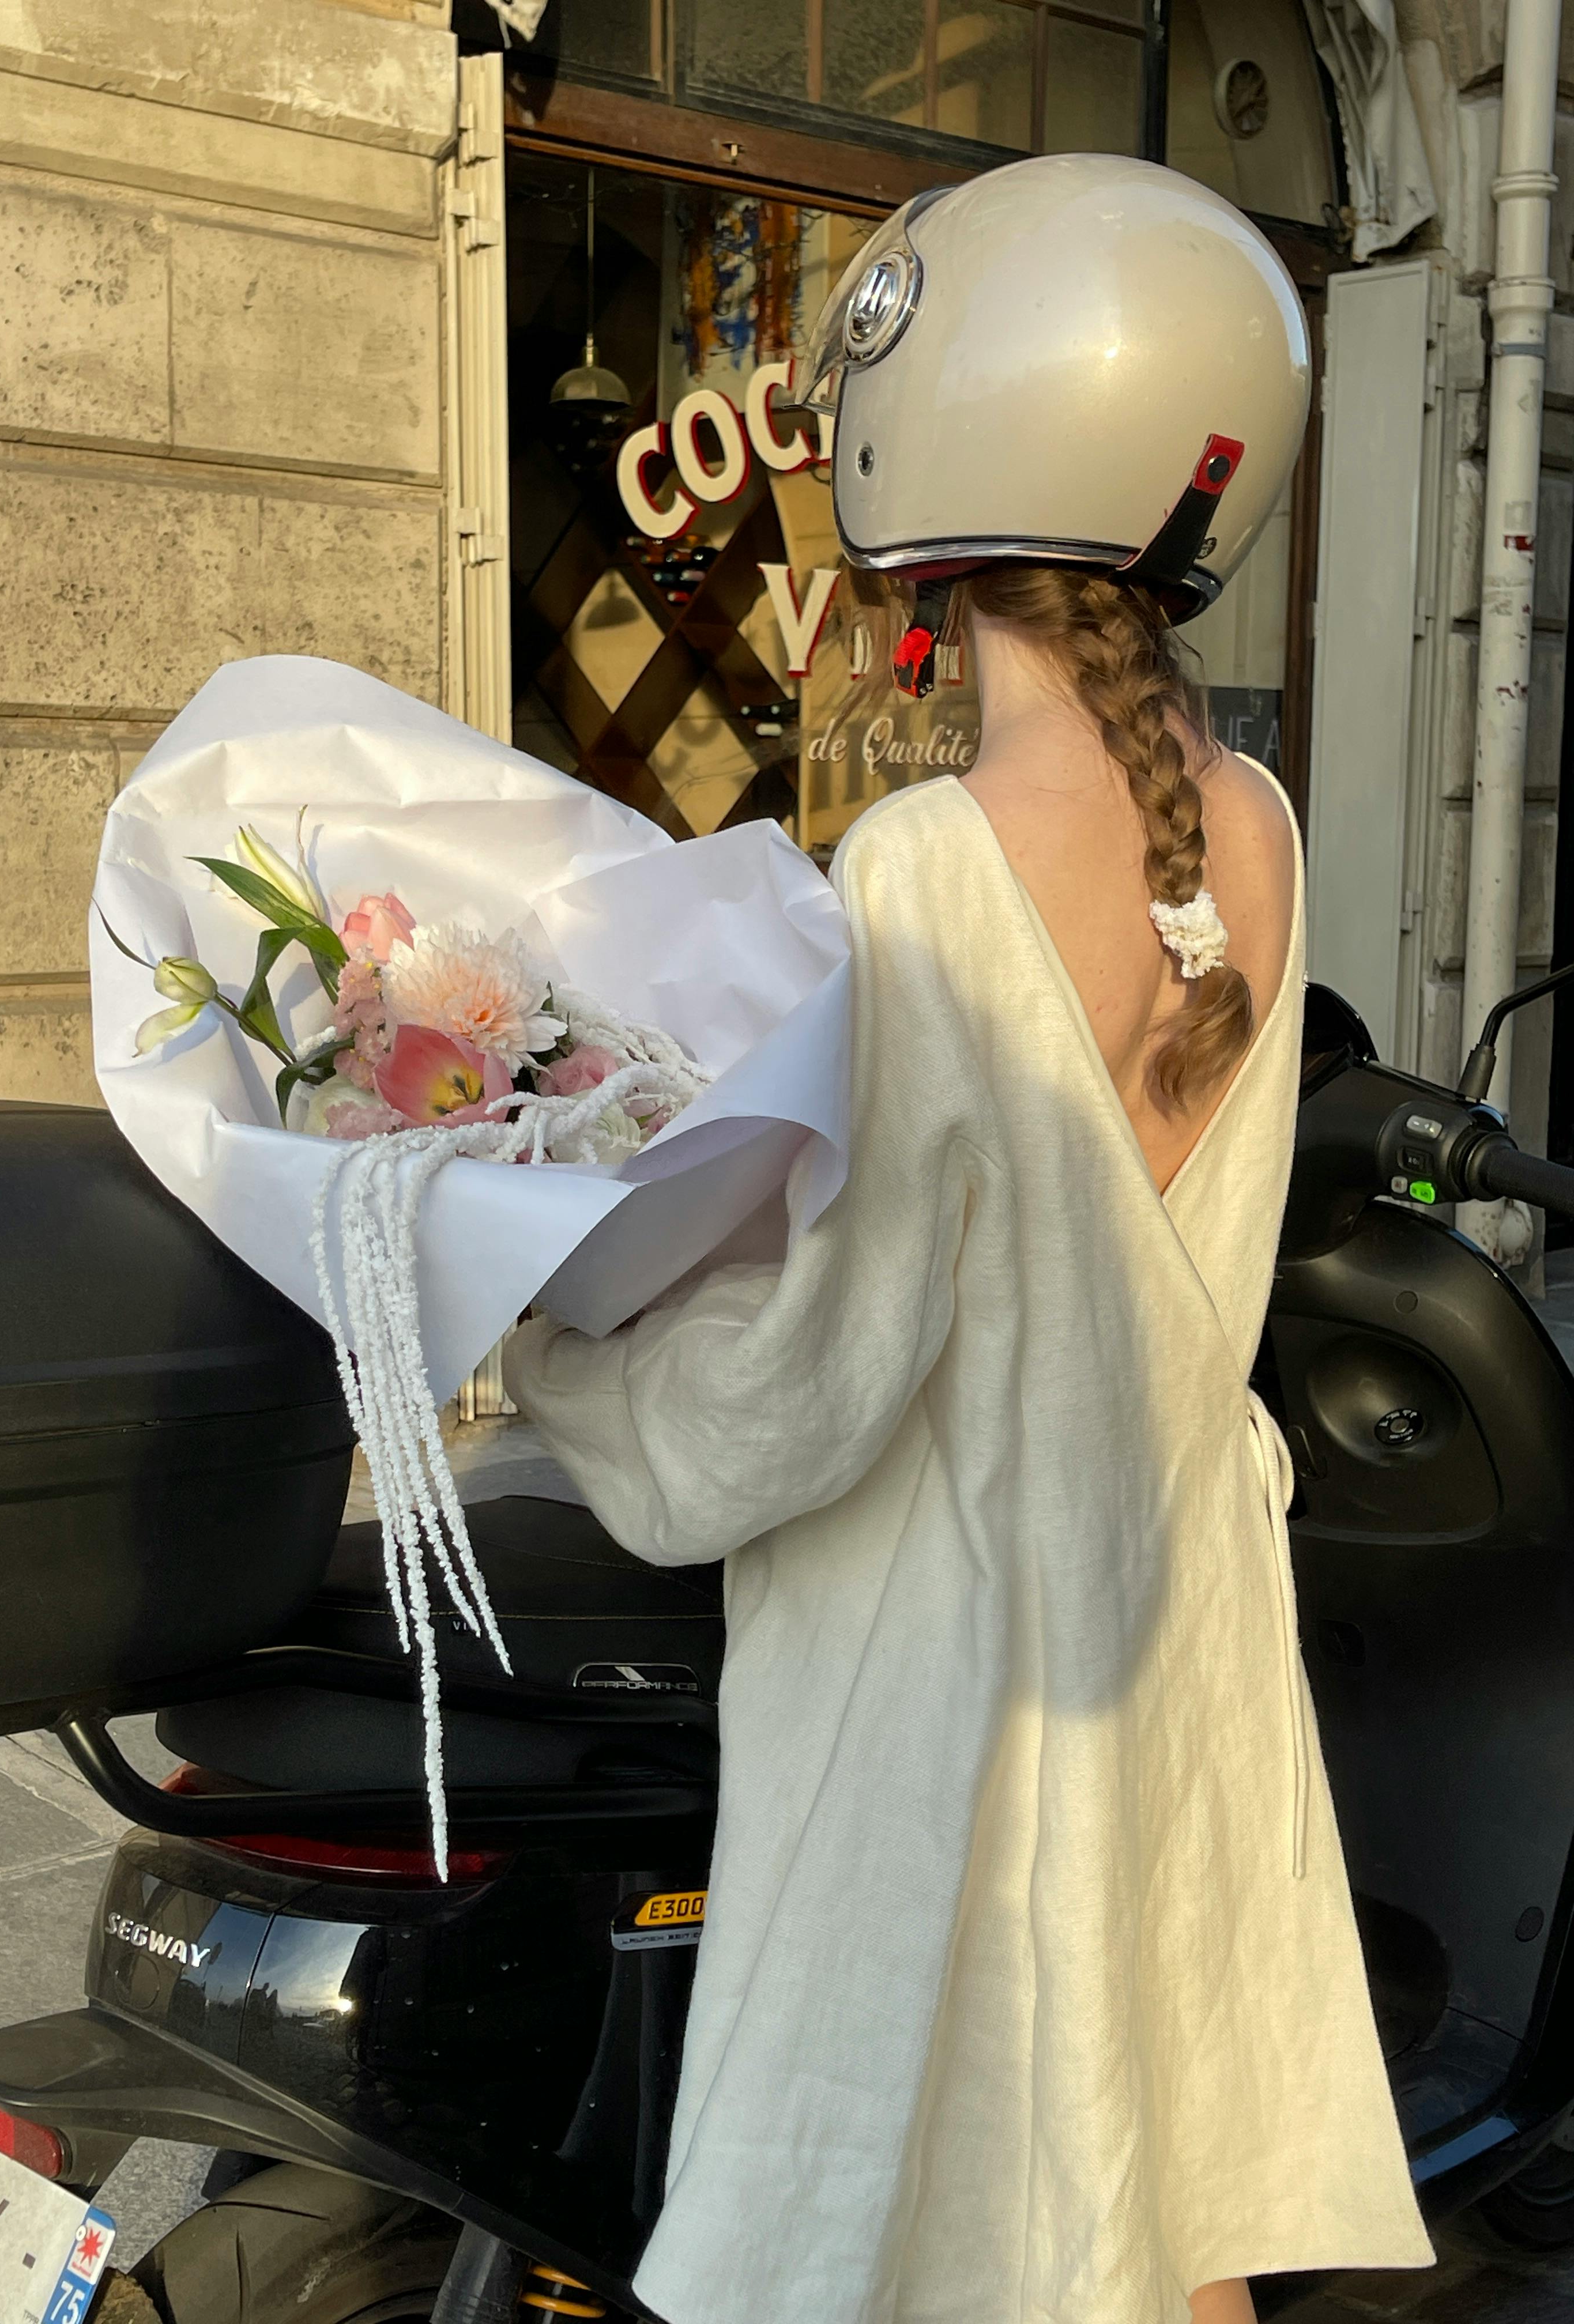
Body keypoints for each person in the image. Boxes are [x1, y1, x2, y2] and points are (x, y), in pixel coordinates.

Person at [503, 154, 1434, 2324]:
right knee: (1163, 2187)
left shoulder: (930, 857)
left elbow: (816, 1382)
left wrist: (562, 1361)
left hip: (970, 1663)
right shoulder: (1264, 825)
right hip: (1182, 1625)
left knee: (913, 2221)